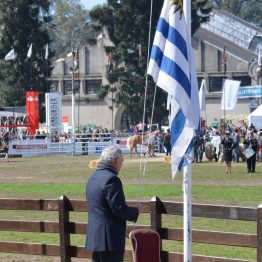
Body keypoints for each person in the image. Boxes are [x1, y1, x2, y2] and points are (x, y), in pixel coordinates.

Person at [85, 145, 139, 262]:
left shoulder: (92, 178)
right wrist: (135, 211)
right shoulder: (111, 179)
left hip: (95, 238)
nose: (121, 165)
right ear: (115, 161)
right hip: (109, 240)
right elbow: (119, 209)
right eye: (121, 162)